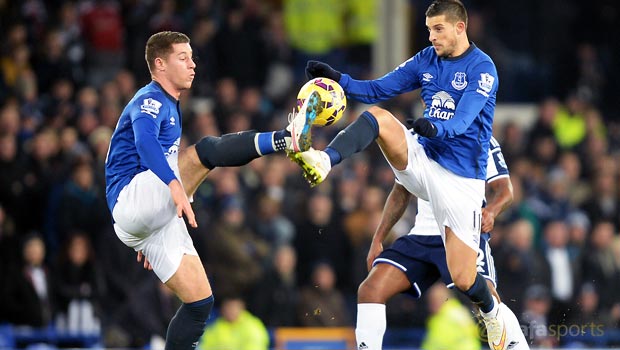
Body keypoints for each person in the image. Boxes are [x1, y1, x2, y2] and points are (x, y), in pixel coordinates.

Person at [290, 0, 505, 348]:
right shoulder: (426, 59)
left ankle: (492, 311)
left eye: (438, 29)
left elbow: (463, 120)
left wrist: (434, 128)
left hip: (460, 179)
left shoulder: (483, 69)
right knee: (379, 116)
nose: (431, 36)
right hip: (426, 159)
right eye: (428, 29)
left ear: (460, 28)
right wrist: (338, 80)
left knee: (466, 278)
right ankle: (326, 159)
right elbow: (378, 88)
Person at [104, 31, 321, 350]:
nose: (193, 64)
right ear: (160, 64)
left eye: (192, 57)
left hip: (145, 217)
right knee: (204, 151)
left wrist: (148, 224)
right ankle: (286, 138)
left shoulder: (171, 103)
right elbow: (145, 143)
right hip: (132, 198)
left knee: (200, 302)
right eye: (183, 58)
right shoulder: (150, 99)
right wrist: (173, 187)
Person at [355, 136, 529, 350]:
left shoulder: (481, 138)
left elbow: (505, 190)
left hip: (463, 229)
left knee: (486, 299)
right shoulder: (417, 137)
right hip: (423, 233)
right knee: (370, 289)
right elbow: (401, 190)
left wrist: (491, 211)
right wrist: (378, 238)